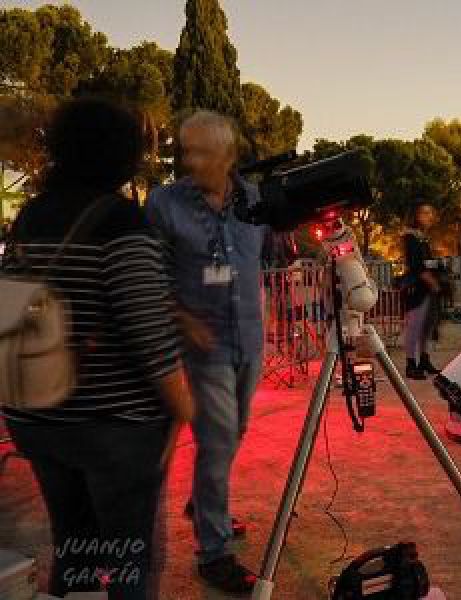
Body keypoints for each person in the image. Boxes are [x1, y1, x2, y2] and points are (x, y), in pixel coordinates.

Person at [1, 98, 192, 599]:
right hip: (113, 427)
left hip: (37, 414)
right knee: (131, 558)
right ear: (121, 154)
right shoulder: (121, 224)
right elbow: (148, 336)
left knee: (75, 546)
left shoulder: (31, 218)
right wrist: (183, 405)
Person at [145, 110, 268, 594]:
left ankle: (203, 501)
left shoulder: (256, 200)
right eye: (185, 149)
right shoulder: (163, 204)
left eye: (201, 151)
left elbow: (267, 253)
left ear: (228, 155)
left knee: (235, 431)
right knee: (216, 444)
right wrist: (182, 317)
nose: (189, 160)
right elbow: (149, 276)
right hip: (204, 347)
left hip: (251, 339)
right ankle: (212, 550)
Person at [402, 201, 443, 380]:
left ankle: (423, 360)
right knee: (415, 326)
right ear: (416, 216)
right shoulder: (411, 237)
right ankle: (411, 364)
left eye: (430, 213)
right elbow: (416, 265)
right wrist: (433, 281)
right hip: (417, 288)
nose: (429, 216)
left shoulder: (422, 237)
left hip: (426, 286)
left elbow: (425, 262)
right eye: (424, 213)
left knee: (425, 326)